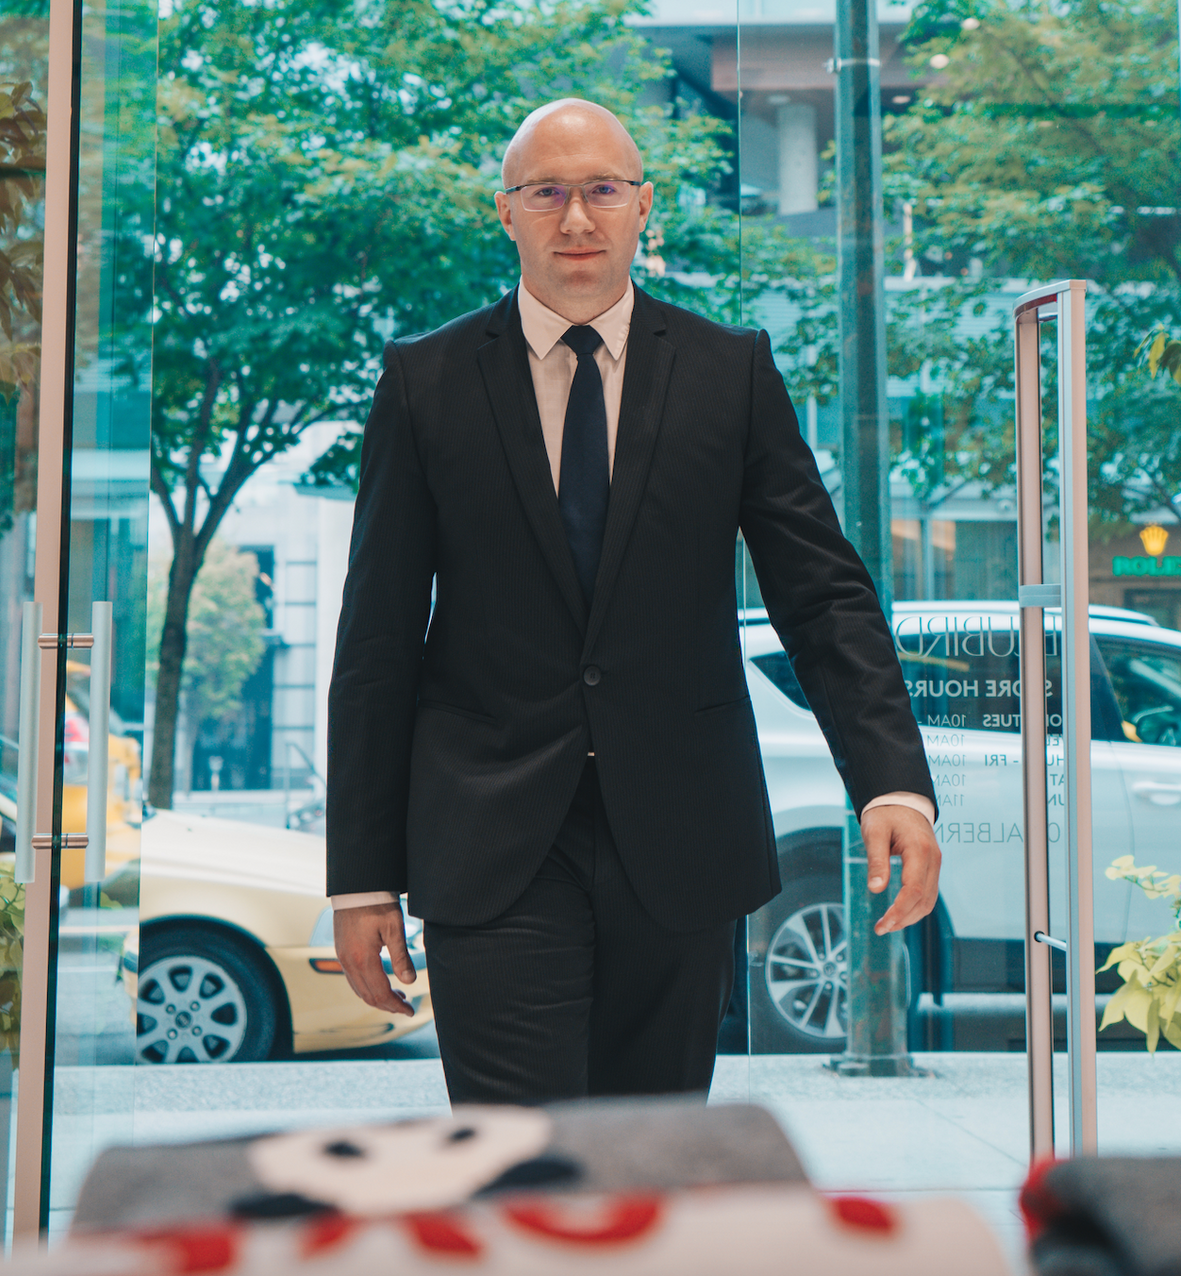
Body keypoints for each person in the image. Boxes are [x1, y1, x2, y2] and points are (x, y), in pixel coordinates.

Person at [326, 98, 940, 1105]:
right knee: (518, 1171)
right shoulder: (425, 382)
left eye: (603, 190)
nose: (578, 218)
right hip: (490, 843)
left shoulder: (728, 372)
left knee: (650, 1170)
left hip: (683, 836)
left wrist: (891, 783)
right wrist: (362, 876)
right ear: (507, 213)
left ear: (642, 206)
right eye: (549, 193)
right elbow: (378, 642)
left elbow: (821, 594)